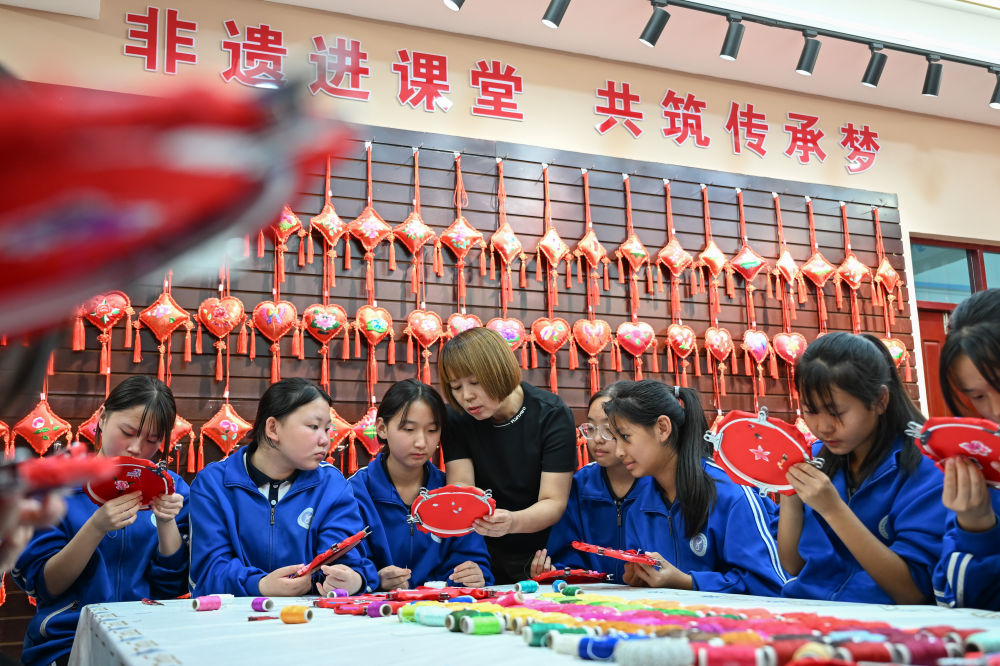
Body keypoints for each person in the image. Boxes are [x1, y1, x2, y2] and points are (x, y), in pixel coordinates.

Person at [12, 376, 188, 666]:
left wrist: (166, 522)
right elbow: (46, 586)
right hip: (66, 640)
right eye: (128, 432)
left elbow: (171, 588)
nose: (136, 448)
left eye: (152, 440)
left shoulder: (173, 489)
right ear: (103, 418)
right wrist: (96, 527)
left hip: (147, 638)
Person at [778, 332, 946, 604]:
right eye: (811, 411)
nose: (823, 427)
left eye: (836, 412)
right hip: (811, 610)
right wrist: (788, 493)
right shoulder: (817, 458)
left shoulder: (926, 468)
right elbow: (793, 564)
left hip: (888, 621)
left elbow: (912, 591)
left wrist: (833, 510)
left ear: (880, 400)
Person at [188, 378, 377, 597]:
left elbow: (346, 560)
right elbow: (207, 573)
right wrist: (259, 585)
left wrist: (352, 579)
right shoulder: (213, 484)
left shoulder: (332, 485)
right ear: (273, 428)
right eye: (313, 427)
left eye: (327, 429)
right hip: (233, 614)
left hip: (310, 614)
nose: (325, 440)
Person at [602, 380, 786, 595]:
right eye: (615, 439)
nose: (619, 452)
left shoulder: (732, 494)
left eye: (625, 437)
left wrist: (688, 582)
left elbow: (768, 585)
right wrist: (639, 579)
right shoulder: (638, 503)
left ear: (662, 428)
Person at [438, 327, 576, 584]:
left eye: (475, 383)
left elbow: (553, 502)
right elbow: (462, 489)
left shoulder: (551, 414)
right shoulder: (457, 418)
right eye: (456, 387)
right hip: (481, 551)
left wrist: (512, 521)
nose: (466, 396)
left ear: (500, 371)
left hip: (542, 553)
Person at [348, 379, 493, 589]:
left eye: (432, 430)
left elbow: (475, 560)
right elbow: (347, 563)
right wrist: (374, 579)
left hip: (443, 605)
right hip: (379, 607)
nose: (421, 442)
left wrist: (475, 573)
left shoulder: (452, 494)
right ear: (381, 428)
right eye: (409, 429)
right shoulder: (354, 492)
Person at [531, 381, 642, 583]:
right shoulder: (581, 484)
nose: (597, 439)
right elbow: (567, 555)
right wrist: (556, 572)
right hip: (594, 597)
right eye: (591, 428)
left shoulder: (655, 485)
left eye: (608, 429)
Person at [933, 288, 1000, 609]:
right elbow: (954, 598)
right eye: (978, 397)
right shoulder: (980, 464)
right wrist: (976, 526)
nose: (995, 410)